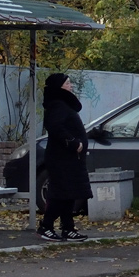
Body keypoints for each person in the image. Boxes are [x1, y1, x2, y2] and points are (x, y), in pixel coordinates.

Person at [39, 73, 91, 242]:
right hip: (61, 158)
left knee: (70, 193)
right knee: (61, 193)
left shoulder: (63, 104)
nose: (71, 86)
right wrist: (73, 142)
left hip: (69, 158)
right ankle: (46, 226)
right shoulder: (58, 105)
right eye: (68, 83)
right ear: (59, 86)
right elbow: (55, 127)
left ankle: (68, 227)